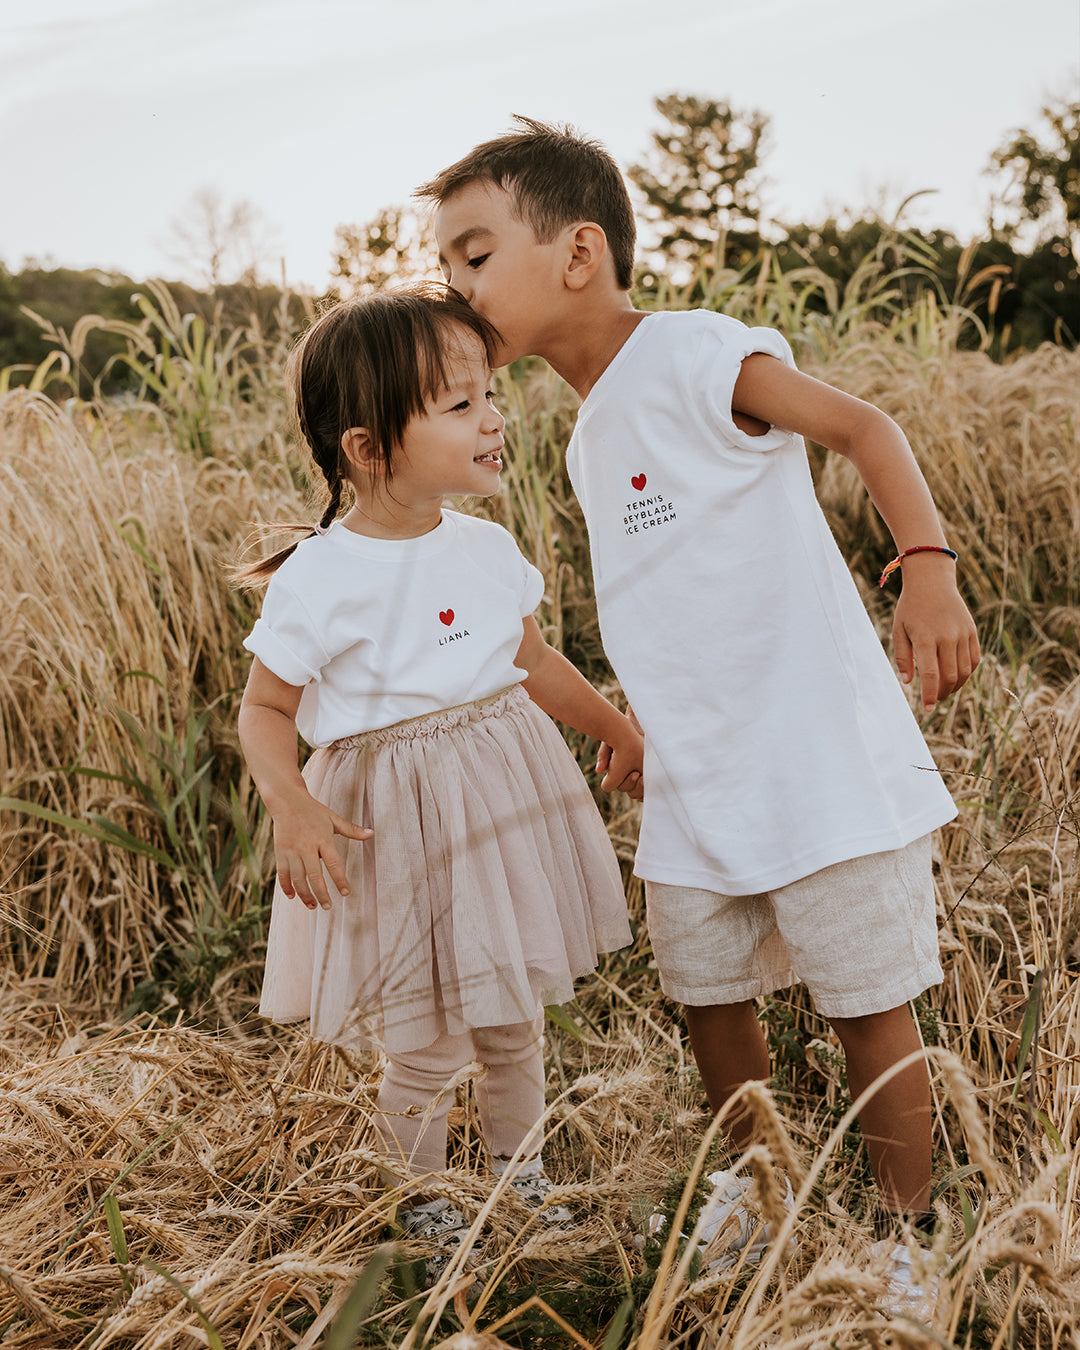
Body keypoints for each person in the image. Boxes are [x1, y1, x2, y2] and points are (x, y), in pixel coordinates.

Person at [417, 118, 981, 1289]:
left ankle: (904, 1241)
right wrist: (635, 729)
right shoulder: (587, 437)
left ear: (579, 252)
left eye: (474, 255)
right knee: (707, 997)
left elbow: (864, 427)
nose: (453, 285)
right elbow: (670, 605)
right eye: (444, 265)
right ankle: (758, 1193)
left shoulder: (688, 352)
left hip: (814, 756)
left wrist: (927, 568)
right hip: (695, 767)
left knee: (866, 1006)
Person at [235, 282, 643, 1270]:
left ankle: (517, 1179)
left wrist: (617, 727)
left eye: (489, 396)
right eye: (460, 405)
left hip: (501, 808)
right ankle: (424, 1200)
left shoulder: (486, 548)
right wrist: (291, 805)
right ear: (370, 448)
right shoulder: (321, 576)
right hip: (399, 824)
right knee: (423, 1038)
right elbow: (265, 710)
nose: (493, 418)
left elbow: (531, 660)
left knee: (511, 1019)